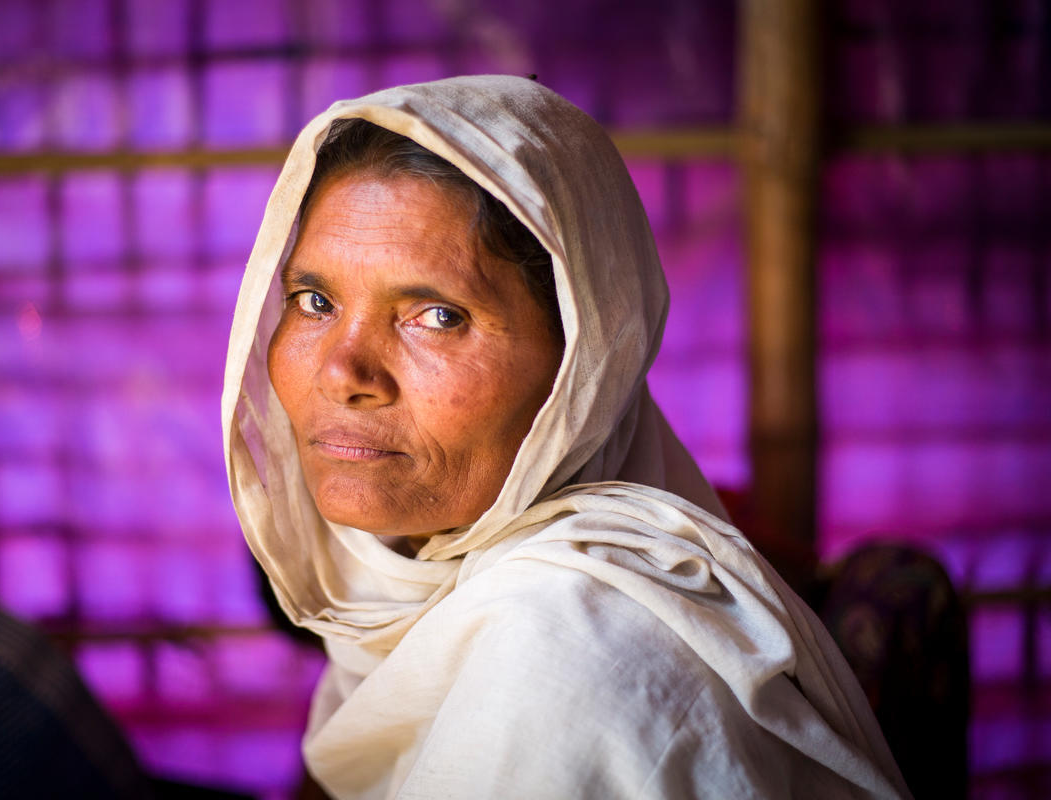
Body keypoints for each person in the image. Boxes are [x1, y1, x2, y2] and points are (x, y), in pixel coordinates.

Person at [222, 75, 910, 799]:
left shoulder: (575, 657)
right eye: (314, 301)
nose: (341, 371)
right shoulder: (410, 594)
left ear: (583, 361)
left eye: (436, 316)